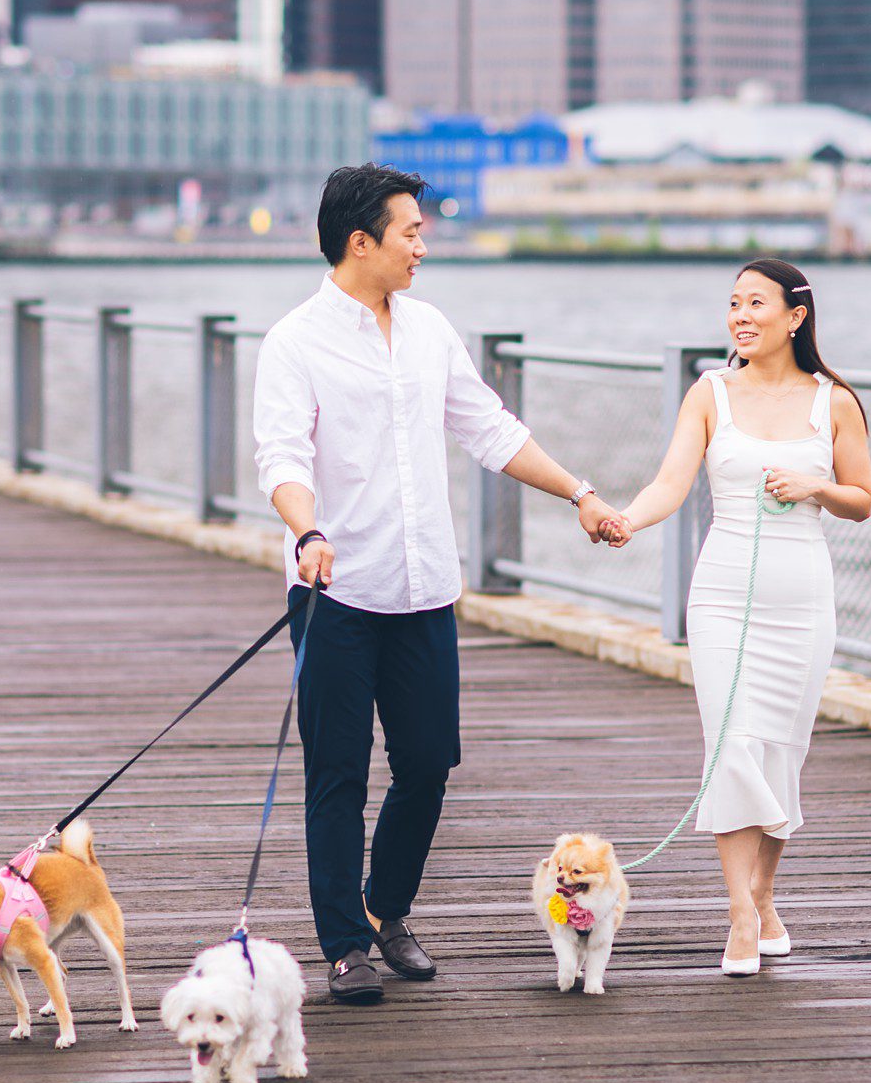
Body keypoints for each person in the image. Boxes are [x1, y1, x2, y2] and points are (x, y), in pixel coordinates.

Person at [253, 164, 626, 1003]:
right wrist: (306, 530)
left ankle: (387, 911)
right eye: (412, 231)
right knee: (338, 776)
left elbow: (488, 427)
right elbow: (282, 456)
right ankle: (345, 945)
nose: (425, 244)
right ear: (362, 241)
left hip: (424, 593)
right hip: (336, 592)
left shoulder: (428, 330)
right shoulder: (295, 342)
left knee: (427, 764)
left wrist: (581, 493)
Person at [603, 259, 871, 976]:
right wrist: (626, 520)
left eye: (756, 303)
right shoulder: (710, 393)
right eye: (732, 304)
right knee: (732, 747)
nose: (740, 316)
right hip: (724, 596)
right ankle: (738, 920)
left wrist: (817, 484)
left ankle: (764, 892)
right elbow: (670, 482)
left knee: (783, 752)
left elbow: (863, 498)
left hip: (803, 598)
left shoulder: (834, 402)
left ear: (796, 316)